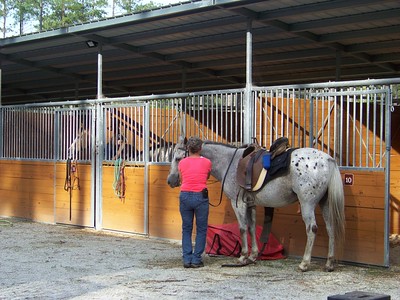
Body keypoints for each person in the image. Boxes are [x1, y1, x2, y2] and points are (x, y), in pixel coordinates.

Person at [178, 136, 212, 268]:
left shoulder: (182, 162)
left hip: (185, 195)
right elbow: (207, 176)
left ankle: (187, 259)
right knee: (201, 229)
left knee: (186, 228)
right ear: (200, 148)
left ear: (188, 149)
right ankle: (196, 259)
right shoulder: (207, 162)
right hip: (200, 196)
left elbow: (181, 179)